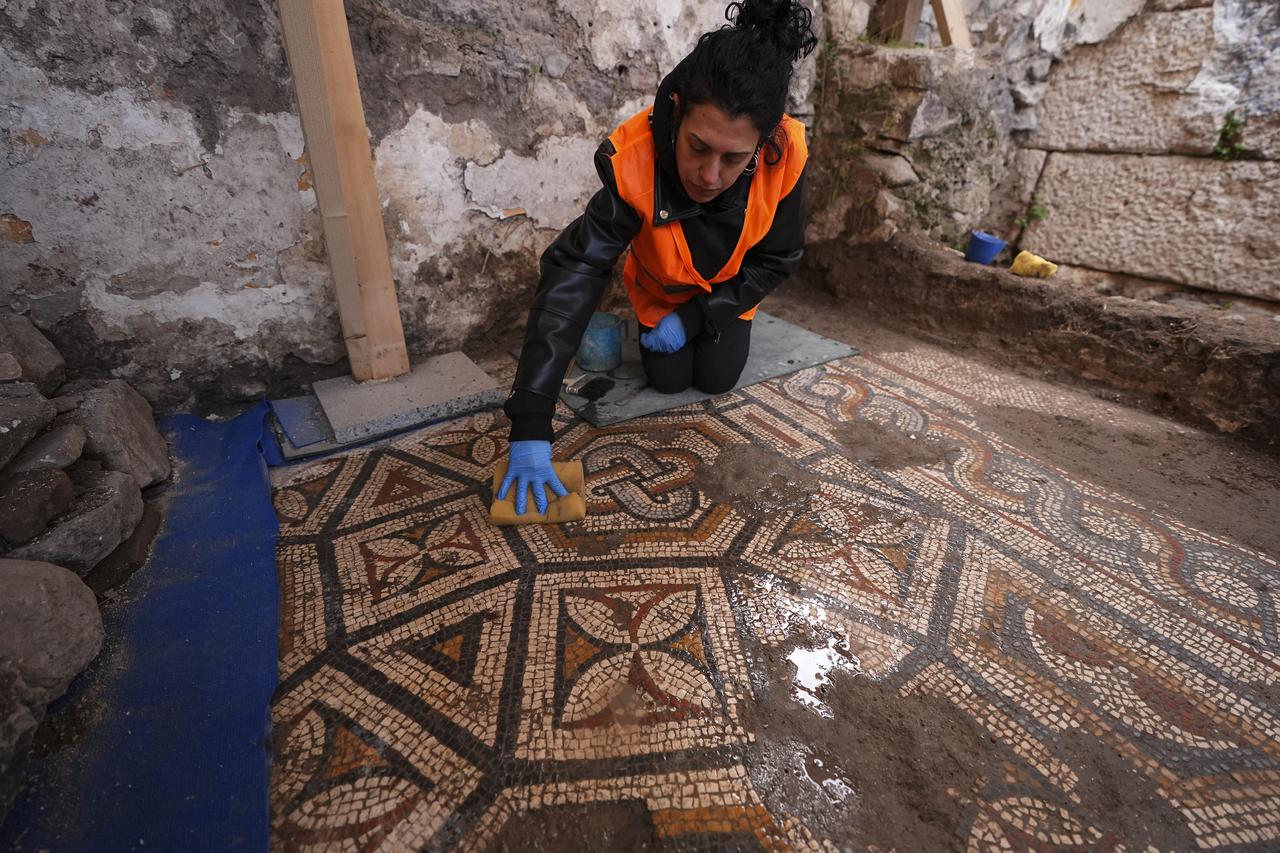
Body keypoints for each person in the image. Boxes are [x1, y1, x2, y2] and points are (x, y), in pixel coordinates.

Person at [499, 0, 818, 515]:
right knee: (667, 378)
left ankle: (705, 328)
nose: (709, 175)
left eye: (734, 159)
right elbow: (577, 269)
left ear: (762, 146)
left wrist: (696, 317)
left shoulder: (788, 155)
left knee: (716, 377)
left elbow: (777, 259)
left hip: (727, 294)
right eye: (697, 147)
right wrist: (531, 418)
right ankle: (665, 331)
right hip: (659, 290)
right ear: (675, 114)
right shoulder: (633, 159)